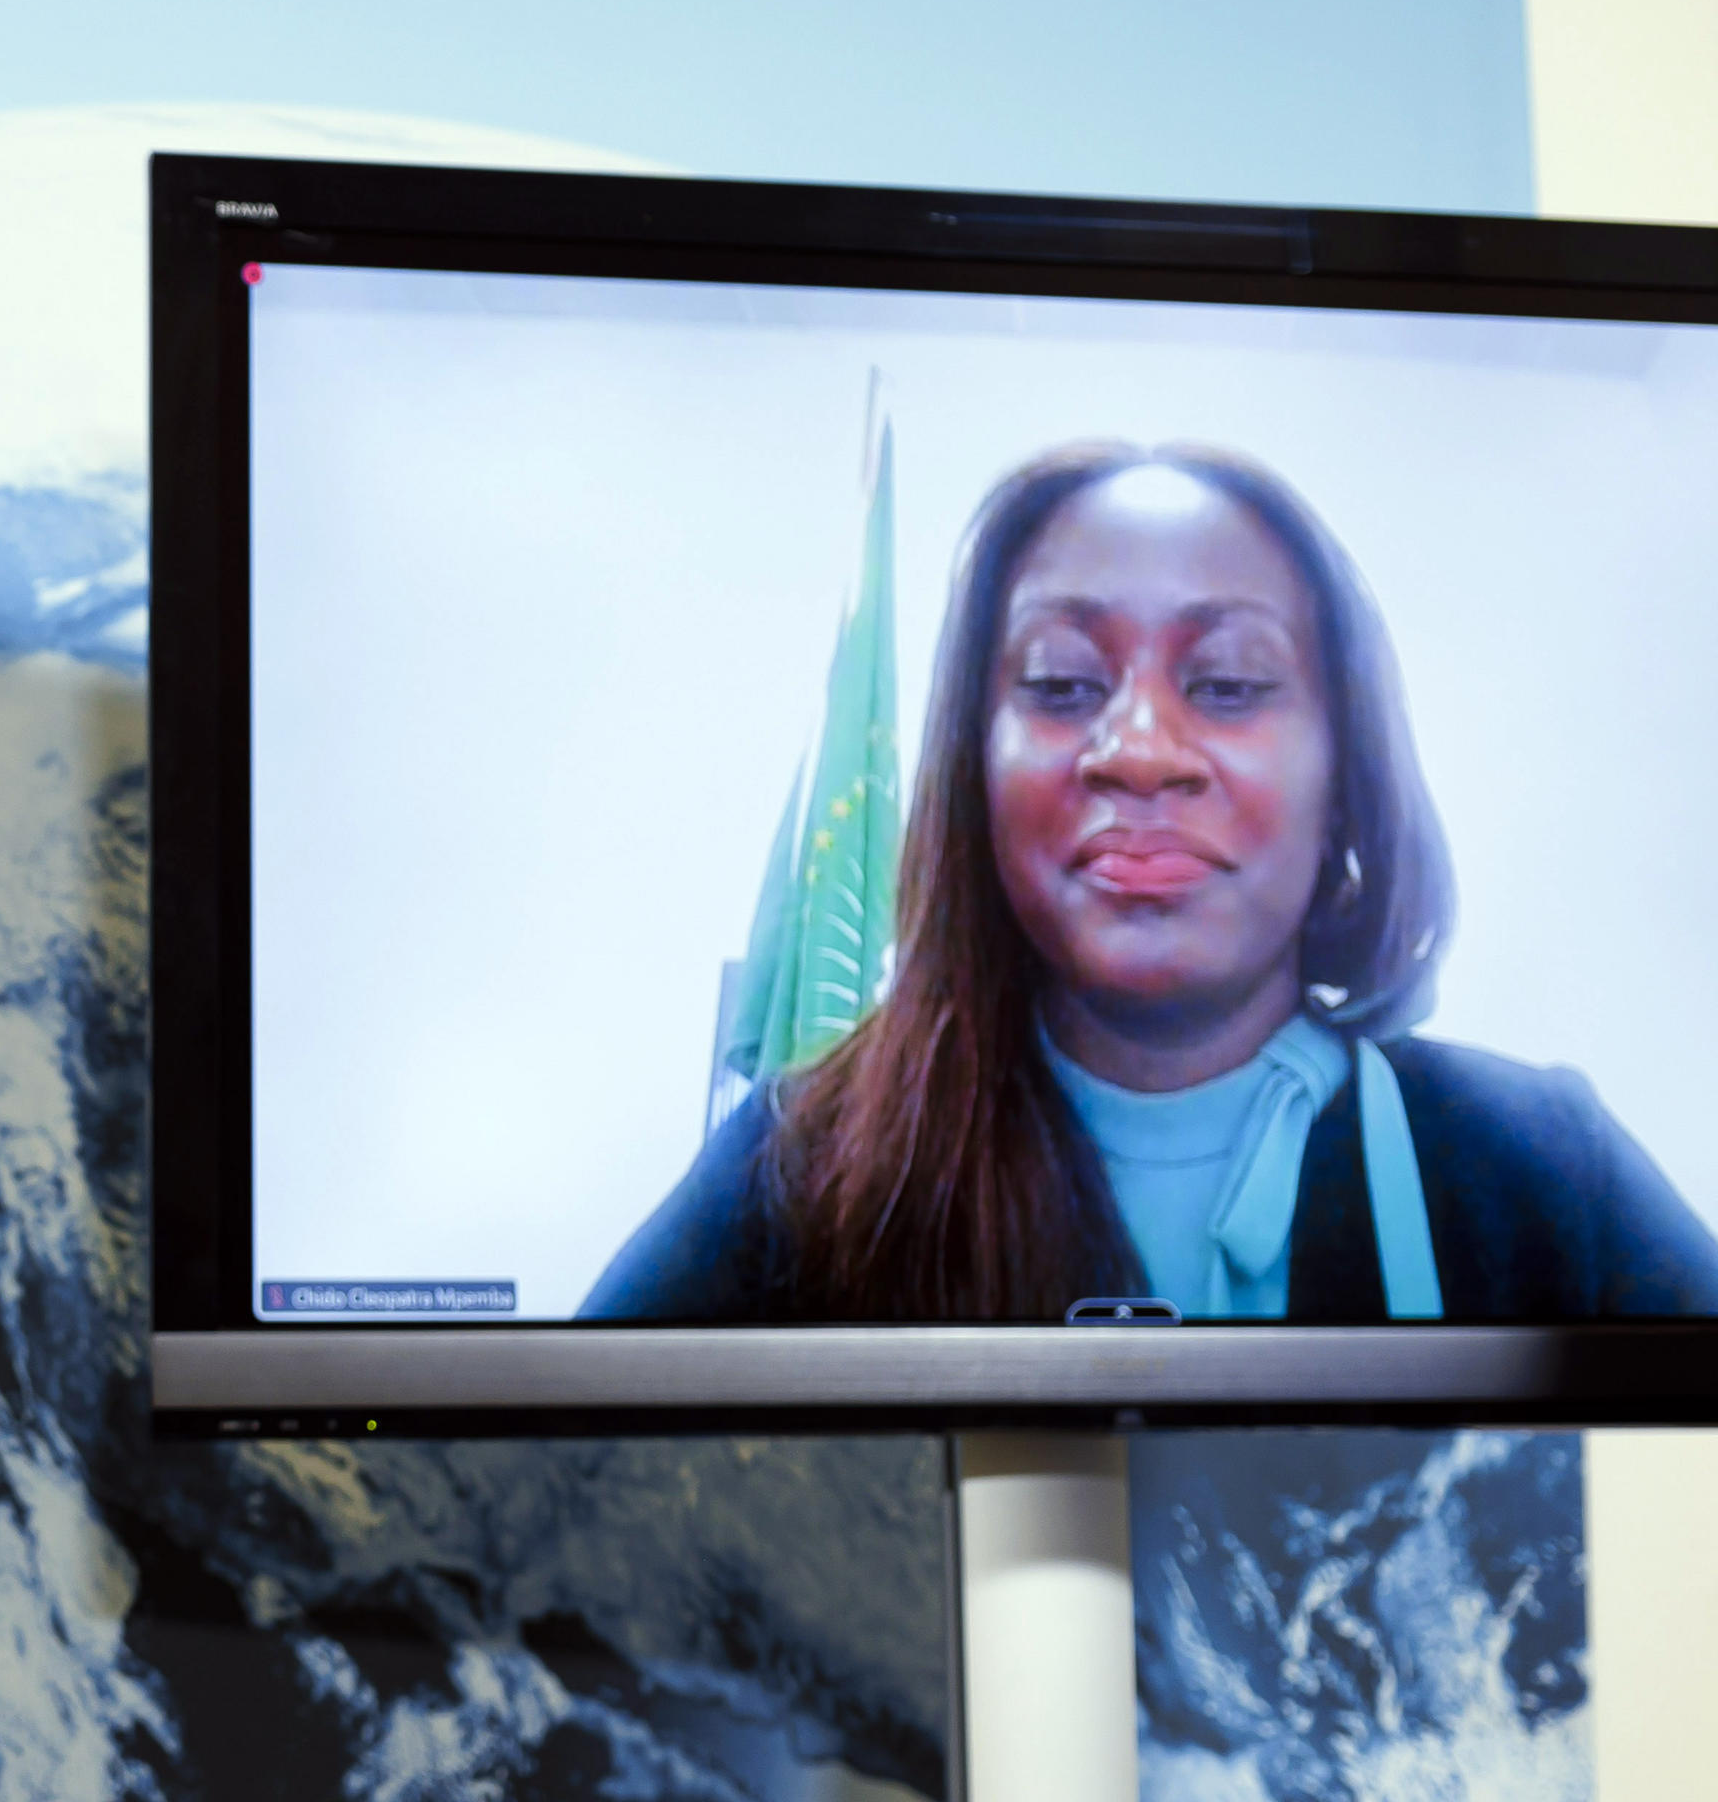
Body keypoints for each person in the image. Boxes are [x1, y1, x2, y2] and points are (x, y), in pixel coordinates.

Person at [587, 441, 1718, 1322]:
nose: (1137, 747)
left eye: (1227, 682)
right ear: (973, 768)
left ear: (1348, 774)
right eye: (1062, 682)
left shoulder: (1539, 1171)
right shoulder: (807, 1164)